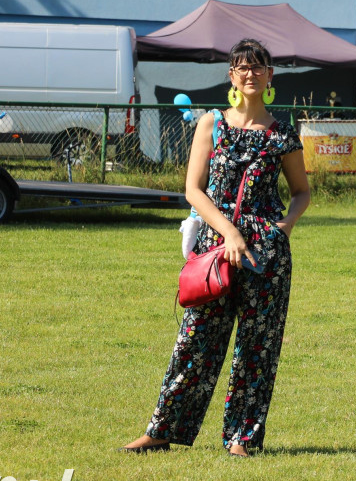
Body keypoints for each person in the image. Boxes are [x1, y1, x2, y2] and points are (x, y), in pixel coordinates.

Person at [122, 39, 311, 458]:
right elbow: (194, 189)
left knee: (257, 347)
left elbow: (301, 192)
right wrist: (229, 233)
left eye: (257, 67)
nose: (250, 74)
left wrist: (284, 227)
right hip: (216, 247)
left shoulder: (282, 134)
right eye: (242, 68)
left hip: (265, 254)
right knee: (195, 339)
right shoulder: (210, 124)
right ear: (231, 76)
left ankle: (242, 439)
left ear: (269, 76)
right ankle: (161, 430)